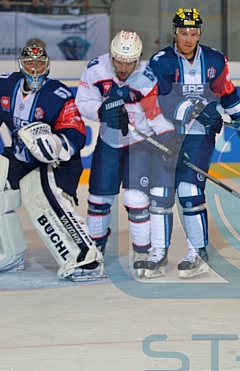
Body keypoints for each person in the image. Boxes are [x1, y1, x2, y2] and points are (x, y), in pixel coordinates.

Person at [0, 44, 104, 280]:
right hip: (21, 158)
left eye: (40, 64)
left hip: (59, 164)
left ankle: (86, 260)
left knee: (45, 202)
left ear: (47, 65)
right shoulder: (5, 86)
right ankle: (6, 251)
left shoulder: (58, 95)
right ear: (22, 65)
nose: (35, 69)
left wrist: (56, 144)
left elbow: (76, 135)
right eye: (30, 63)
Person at [148, 8, 240, 278]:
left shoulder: (214, 59)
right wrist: (199, 108)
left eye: (192, 33)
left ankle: (197, 251)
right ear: (174, 33)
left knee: (189, 192)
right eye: (182, 32)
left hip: (199, 137)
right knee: (160, 194)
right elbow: (163, 100)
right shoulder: (161, 61)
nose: (187, 39)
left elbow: (226, 93)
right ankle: (158, 251)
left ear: (199, 33)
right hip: (166, 135)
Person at [75, 30, 178, 279]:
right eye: (119, 61)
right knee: (99, 201)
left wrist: (168, 137)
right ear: (111, 55)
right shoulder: (96, 69)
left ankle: (142, 252)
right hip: (108, 143)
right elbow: (82, 102)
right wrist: (103, 111)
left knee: (135, 199)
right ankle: (94, 251)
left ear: (138, 58)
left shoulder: (147, 76)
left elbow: (153, 114)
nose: (123, 67)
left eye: (129, 62)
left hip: (138, 143)